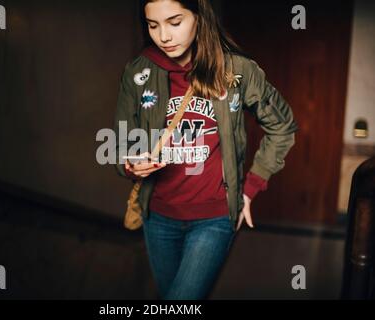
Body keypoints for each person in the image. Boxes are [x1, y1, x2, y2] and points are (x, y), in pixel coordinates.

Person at [113, 0, 298, 300]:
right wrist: (132, 163)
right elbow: (123, 141)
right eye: (153, 25)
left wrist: (251, 187)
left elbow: (283, 126)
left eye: (175, 22)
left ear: (200, 16)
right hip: (157, 217)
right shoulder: (137, 72)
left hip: (215, 218)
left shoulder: (237, 70)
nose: (164, 36)